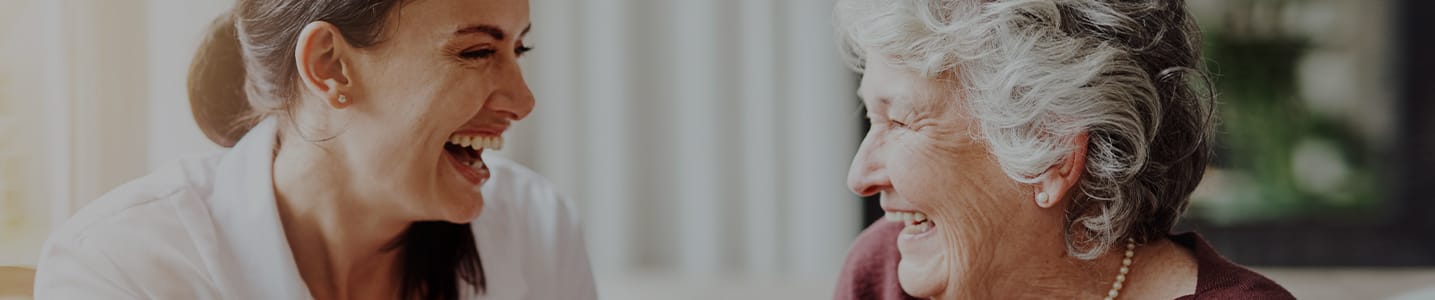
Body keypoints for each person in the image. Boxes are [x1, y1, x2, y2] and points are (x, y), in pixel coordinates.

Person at [33, 0, 596, 299]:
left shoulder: (538, 229)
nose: (522, 100)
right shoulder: (124, 267)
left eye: (518, 47)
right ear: (329, 65)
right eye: (476, 51)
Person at [829, 0, 1294, 299]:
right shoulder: (883, 274)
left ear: (1052, 154)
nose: (860, 175)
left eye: (902, 120)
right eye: (872, 118)